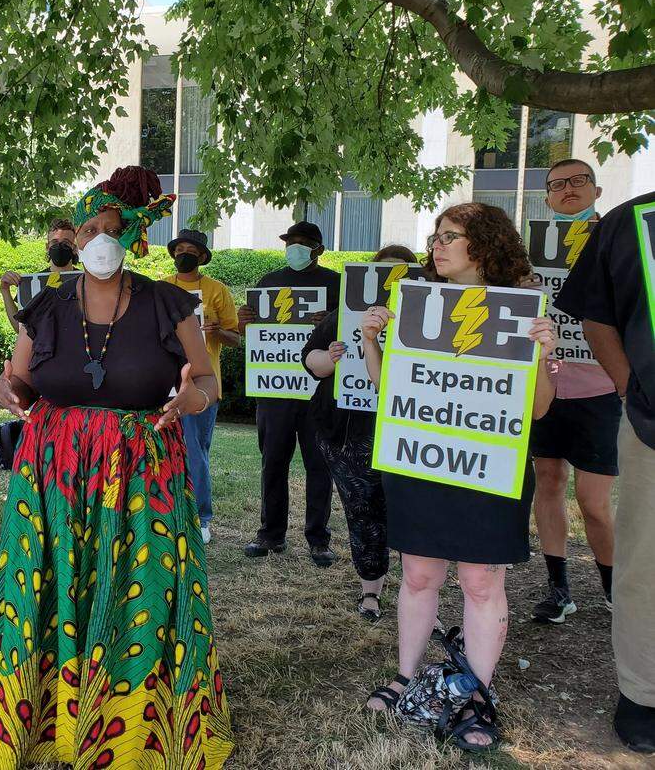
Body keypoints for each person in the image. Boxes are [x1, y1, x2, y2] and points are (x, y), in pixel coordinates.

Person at [0, 166, 233, 768]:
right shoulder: (43, 306)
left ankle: (134, 722)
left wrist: (190, 398)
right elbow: (15, 378)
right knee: (56, 584)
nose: (100, 238)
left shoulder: (169, 302)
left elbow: (204, 379)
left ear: (133, 238)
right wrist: (3, 389)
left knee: (139, 585)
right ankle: (51, 722)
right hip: (54, 470)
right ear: (74, 236)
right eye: (90, 227)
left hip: (141, 466)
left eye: (112, 229)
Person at [362, 203, 557, 754]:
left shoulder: (523, 312)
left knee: (479, 582)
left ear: (485, 246)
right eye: (435, 237)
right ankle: (405, 677)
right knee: (419, 575)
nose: (436, 247)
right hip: (423, 461)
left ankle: (477, 694)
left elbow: (540, 409)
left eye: (450, 237)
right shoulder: (416, 304)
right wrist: (372, 342)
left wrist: (544, 353)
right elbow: (391, 395)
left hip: (488, 464)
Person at [555, 191, 655, 753]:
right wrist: (630, 386)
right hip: (652, 425)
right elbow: (596, 318)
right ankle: (643, 693)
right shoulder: (632, 221)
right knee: (645, 561)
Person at [301, 245, 418, 622]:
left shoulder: (432, 322)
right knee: (362, 510)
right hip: (346, 434)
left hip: (406, 432)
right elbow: (311, 362)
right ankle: (371, 591)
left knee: (410, 514)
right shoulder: (342, 316)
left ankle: (420, 594)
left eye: (400, 276)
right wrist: (330, 359)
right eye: (383, 274)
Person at [530, 159, 620, 624]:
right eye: (557, 185)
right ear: (546, 198)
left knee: (593, 500)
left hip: (600, 386)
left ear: (596, 190)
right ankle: (558, 587)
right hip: (545, 383)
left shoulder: (616, 241)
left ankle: (613, 591)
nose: (568, 190)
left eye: (578, 181)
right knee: (548, 481)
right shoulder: (530, 250)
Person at [237, 220, 339, 566]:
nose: (294, 248)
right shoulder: (269, 283)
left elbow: (353, 332)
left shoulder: (335, 284)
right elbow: (252, 338)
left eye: (302, 243)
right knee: (273, 463)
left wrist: (333, 319)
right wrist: (244, 321)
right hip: (275, 391)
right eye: (290, 242)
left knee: (318, 465)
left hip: (318, 391)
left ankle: (318, 540)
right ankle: (270, 535)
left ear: (318, 249)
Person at [164, 228, 239, 544]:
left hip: (204, 385)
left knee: (196, 452)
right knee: (163, 450)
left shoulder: (217, 290)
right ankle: (166, 512)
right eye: (179, 248)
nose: (184, 253)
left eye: (191, 250)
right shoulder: (162, 287)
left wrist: (217, 331)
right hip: (166, 383)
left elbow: (236, 339)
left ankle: (201, 517)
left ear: (202, 256)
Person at [0, 218, 78, 333]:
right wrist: (5, 290)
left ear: (74, 248)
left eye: (66, 243)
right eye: (55, 242)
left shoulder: (86, 280)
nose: (60, 246)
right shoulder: (31, 283)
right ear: (47, 247)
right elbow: (20, 328)